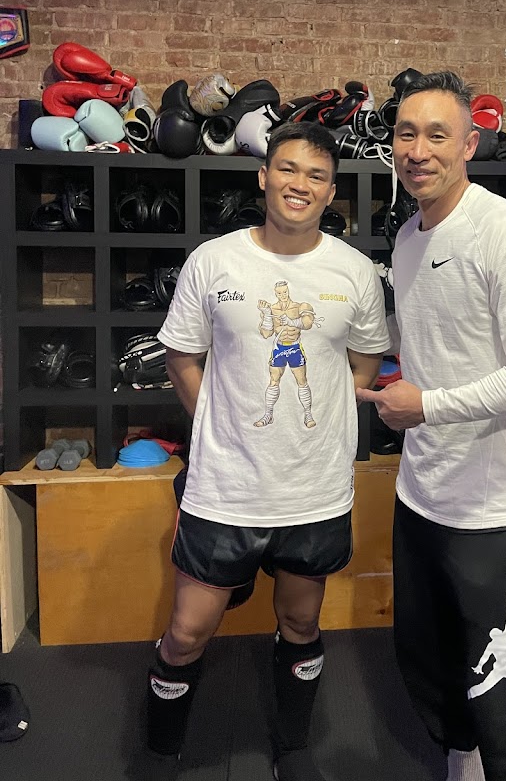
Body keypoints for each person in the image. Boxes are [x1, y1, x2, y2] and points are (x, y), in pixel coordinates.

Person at [149, 120, 390, 781]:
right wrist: (216, 424)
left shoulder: (353, 271)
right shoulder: (214, 261)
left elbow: (365, 360)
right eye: (287, 169)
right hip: (225, 485)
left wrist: (321, 425)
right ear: (263, 176)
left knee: (301, 622)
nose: (299, 184)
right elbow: (181, 354)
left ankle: (292, 747)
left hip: (313, 488)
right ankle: (160, 752)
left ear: (331, 191)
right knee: (187, 631)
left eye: (316, 175)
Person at [357, 71, 506, 781]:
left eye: (436, 135)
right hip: (424, 490)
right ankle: (462, 760)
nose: (418, 150)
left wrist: (429, 406)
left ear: (469, 145)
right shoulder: (409, 240)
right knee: (433, 659)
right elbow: (433, 345)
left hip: (495, 503)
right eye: (405, 134)